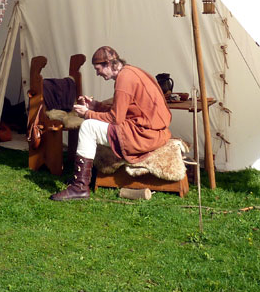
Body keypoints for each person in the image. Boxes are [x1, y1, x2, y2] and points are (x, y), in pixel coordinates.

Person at [50, 46, 172, 201]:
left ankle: (79, 187)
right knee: (93, 124)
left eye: (98, 69)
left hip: (144, 135)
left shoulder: (124, 79)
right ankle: (85, 178)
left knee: (88, 126)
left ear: (108, 64)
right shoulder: (131, 72)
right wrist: (95, 105)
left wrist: (87, 113)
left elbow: (115, 119)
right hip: (153, 132)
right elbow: (123, 111)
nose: (97, 73)